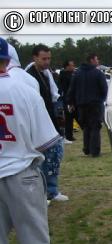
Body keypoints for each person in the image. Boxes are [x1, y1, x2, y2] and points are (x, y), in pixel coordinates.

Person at [0, 37, 60, 244]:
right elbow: (45, 141)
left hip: (14, 168)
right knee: (34, 238)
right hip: (22, 171)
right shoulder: (23, 89)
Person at [26, 44, 67, 202]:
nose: (47, 62)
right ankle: (42, 192)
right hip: (37, 122)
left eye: (49, 58)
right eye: (44, 59)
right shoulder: (29, 76)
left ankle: (52, 190)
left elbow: (53, 96)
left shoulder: (47, 74)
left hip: (50, 119)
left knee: (54, 157)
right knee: (41, 160)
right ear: (35, 58)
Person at [67, 53, 108, 158]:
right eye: (96, 59)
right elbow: (104, 89)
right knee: (95, 126)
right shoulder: (98, 73)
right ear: (92, 60)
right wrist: (102, 99)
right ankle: (95, 150)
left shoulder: (77, 73)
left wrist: (70, 102)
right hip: (95, 104)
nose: (98, 61)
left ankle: (87, 149)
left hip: (81, 105)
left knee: (86, 127)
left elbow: (72, 89)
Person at [58, 60, 76, 142]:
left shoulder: (72, 74)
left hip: (73, 99)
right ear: (67, 66)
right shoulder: (63, 75)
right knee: (69, 117)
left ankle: (70, 134)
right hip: (67, 99)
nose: (73, 67)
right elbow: (64, 89)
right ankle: (69, 135)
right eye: (71, 65)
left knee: (71, 117)